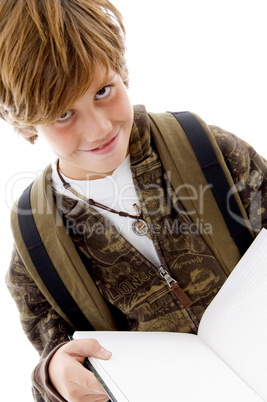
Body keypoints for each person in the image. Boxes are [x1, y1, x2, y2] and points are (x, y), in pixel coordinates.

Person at [2, 0, 267, 401]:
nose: (99, 128)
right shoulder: (36, 253)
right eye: (62, 115)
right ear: (23, 122)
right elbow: (64, 366)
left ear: (122, 68)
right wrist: (55, 374)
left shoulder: (212, 152)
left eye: (103, 91)